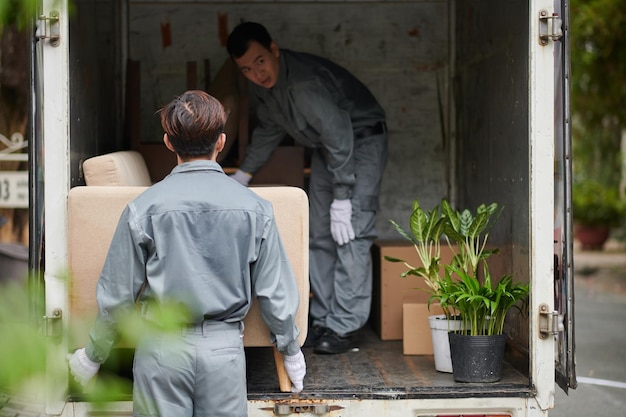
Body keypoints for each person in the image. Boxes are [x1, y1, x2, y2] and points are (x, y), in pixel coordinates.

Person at [67, 90, 306, 417]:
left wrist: (91, 355)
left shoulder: (142, 209)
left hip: (160, 351)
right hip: (224, 353)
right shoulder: (256, 210)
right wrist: (291, 350)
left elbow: (118, 297)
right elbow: (274, 292)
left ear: (168, 142)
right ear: (221, 142)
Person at [227, 22, 388, 355]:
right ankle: (325, 320)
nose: (257, 73)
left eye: (260, 61)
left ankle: (344, 327)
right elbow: (270, 130)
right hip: (327, 149)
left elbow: (341, 135)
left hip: (360, 142)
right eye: (246, 69)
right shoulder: (264, 89)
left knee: (351, 231)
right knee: (317, 233)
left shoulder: (303, 84)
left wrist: (343, 196)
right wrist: (242, 175)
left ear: (273, 49)